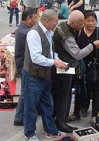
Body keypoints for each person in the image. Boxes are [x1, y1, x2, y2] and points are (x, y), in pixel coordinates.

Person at [23, 9, 67, 141]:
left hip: (45, 75)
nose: (57, 24)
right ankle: (29, 133)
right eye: (55, 21)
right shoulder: (34, 33)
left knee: (48, 104)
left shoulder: (49, 32)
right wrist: (54, 62)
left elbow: (50, 51)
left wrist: (58, 60)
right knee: (31, 107)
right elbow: (36, 57)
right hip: (33, 76)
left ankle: (51, 130)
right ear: (47, 21)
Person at [52, 10, 99, 133]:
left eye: (91, 21)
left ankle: (61, 120)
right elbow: (77, 54)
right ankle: (62, 122)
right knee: (66, 95)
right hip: (66, 67)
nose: (85, 25)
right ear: (72, 23)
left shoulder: (64, 26)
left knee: (67, 95)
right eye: (82, 23)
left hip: (77, 66)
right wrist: (93, 45)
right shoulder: (69, 35)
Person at [68, 10, 99, 128]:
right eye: (88, 21)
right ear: (83, 21)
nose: (91, 23)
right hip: (82, 66)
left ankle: (95, 115)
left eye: (93, 21)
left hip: (96, 66)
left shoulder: (98, 32)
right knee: (80, 89)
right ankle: (78, 111)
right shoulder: (79, 33)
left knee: (96, 91)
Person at [14, 8, 37, 126]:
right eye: (34, 18)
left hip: (22, 63)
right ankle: (19, 118)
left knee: (26, 91)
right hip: (24, 65)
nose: (36, 21)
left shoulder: (23, 29)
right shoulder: (26, 32)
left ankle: (21, 116)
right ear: (28, 19)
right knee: (25, 92)